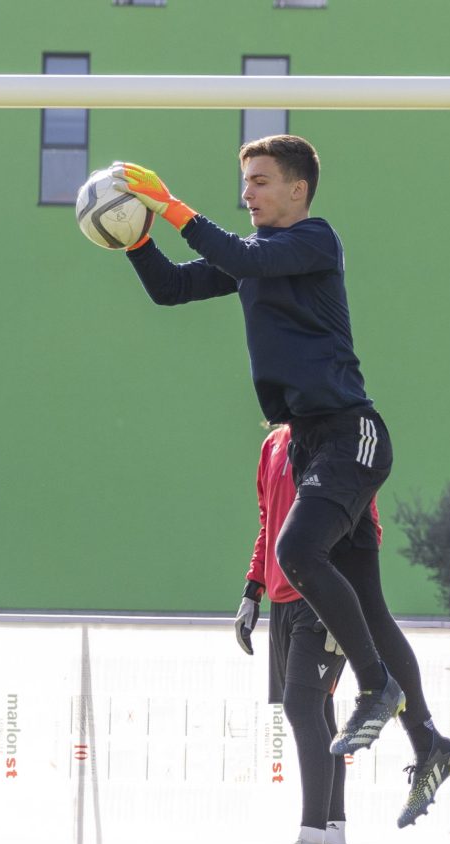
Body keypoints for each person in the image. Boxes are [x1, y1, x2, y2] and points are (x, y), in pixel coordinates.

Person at [118, 136, 420, 757]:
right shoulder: (252, 254)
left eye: (259, 181)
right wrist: (137, 239)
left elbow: (239, 256)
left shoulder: (316, 240)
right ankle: (429, 742)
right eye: (245, 182)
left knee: (298, 552)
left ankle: (376, 689)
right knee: (366, 601)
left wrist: (171, 206)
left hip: (351, 432)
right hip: (310, 443)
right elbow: (171, 289)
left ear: (297, 190)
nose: (246, 193)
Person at [235, 425, 450, 844]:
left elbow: (354, 517)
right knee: (317, 714)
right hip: (283, 595)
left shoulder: (338, 439)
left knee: (303, 708)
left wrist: (347, 591)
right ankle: (334, 841)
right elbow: (269, 521)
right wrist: (253, 588)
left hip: (321, 597)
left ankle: (312, 840)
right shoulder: (273, 445)